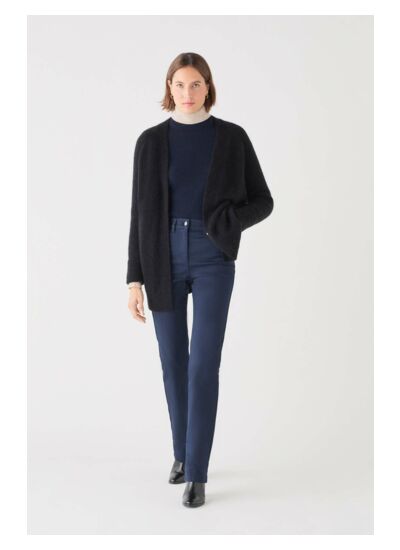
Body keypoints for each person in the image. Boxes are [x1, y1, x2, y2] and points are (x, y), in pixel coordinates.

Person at [127, 52, 274, 507]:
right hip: (162, 256)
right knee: (173, 362)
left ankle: (197, 473)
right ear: (168, 88)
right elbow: (139, 214)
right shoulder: (150, 142)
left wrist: (226, 222)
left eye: (195, 84)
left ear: (208, 87)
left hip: (213, 258)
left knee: (203, 363)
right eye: (179, 84)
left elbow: (263, 200)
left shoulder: (232, 138)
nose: (187, 93)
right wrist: (134, 280)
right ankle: (182, 453)